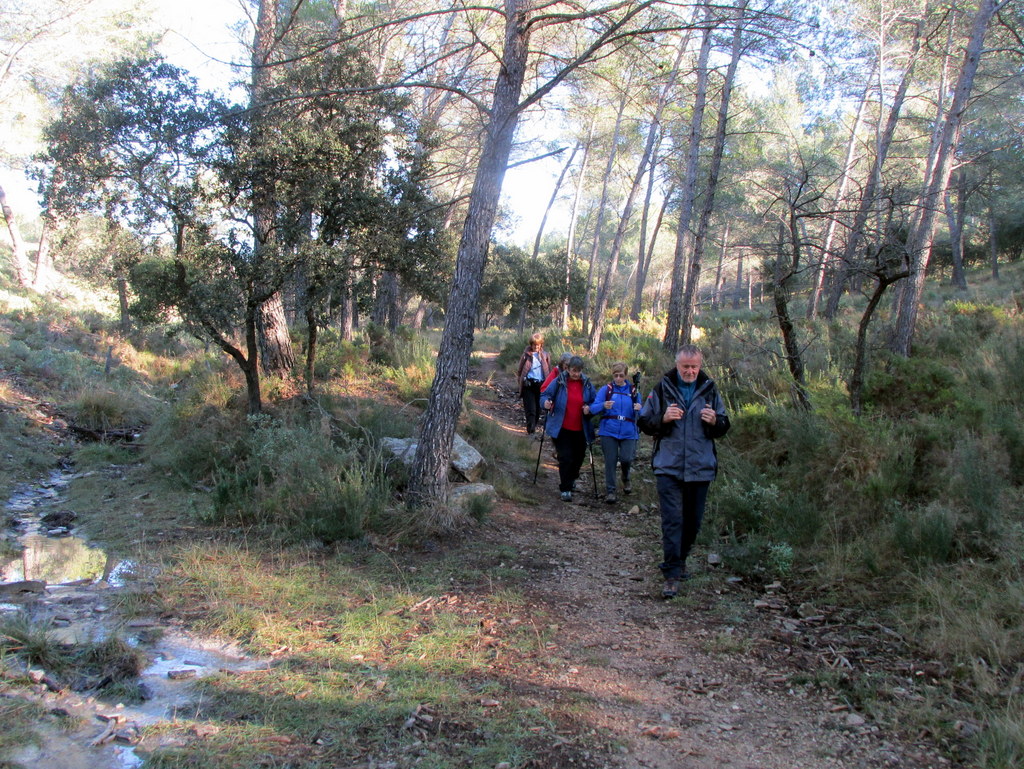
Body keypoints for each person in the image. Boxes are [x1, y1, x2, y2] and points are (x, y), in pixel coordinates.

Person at [638, 344, 730, 599]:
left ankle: (680, 560)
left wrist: (715, 422)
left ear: (700, 365)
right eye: (685, 366)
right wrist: (663, 419)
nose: (690, 371)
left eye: (694, 366)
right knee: (672, 520)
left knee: (693, 521)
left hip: (701, 467)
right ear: (677, 365)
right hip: (668, 465)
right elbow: (644, 422)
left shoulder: (710, 389)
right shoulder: (662, 388)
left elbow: (724, 425)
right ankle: (671, 574)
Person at [542, 355, 596, 502]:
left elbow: (594, 401)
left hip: (580, 428)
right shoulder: (559, 381)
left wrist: (589, 409)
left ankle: (571, 479)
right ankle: (565, 488)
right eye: (573, 370)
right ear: (568, 369)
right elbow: (545, 394)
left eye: (578, 371)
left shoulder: (587, 384)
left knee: (578, 458)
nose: (576, 374)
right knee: (565, 457)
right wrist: (545, 403)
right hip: (561, 427)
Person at [589, 362, 642, 504]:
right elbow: (593, 408)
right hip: (609, 430)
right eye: (616, 375)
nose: (618, 378)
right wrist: (603, 405)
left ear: (626, 376)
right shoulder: (606, 390)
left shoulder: (634, 391)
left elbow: (642, 415)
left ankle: (626, 478)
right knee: (610, 461)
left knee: (626, 459)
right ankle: (611, 491)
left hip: (629, 431)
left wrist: (639, 408)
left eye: (621, 375)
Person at [516, 333, 551, 435]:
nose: (536, 346)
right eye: (534, 344)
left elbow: (549, 370)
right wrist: (521, 382)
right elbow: (520, 370)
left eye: (538, 344)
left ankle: (533, 427)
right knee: (531, 409)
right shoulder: (526, 355)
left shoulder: (545, 355)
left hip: (541, 385)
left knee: (538, 410)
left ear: (541, 345)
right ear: (531, 344)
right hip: (529, 385)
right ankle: (531, 431)